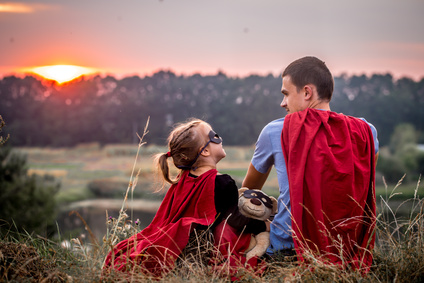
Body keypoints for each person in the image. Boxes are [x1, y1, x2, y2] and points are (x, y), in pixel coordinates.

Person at [242, 56, 379, 270]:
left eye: (286, 94)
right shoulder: (366, 132)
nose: (282, 103)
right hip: (349, 251)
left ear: (307, 92)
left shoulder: (275, 131)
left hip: (287, 250)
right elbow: (365, 183)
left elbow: (249, 191)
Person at [103, 118, 267, 278]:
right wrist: (263, 224)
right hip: (211, 249)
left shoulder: (183, 179)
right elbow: (234, 221)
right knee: (262, 246)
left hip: (183, 248)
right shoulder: (223, 183)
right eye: (215, 136)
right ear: (205, 151)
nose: (220, 138)